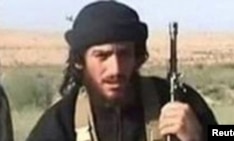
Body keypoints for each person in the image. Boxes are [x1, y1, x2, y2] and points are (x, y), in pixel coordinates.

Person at [27, 1, 218, 141]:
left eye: (124, 54)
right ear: (79, 61)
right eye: (102, 56)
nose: (115, 69)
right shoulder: (61, 121)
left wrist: (200, 136)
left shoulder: (177, 102)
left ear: (137, 56)